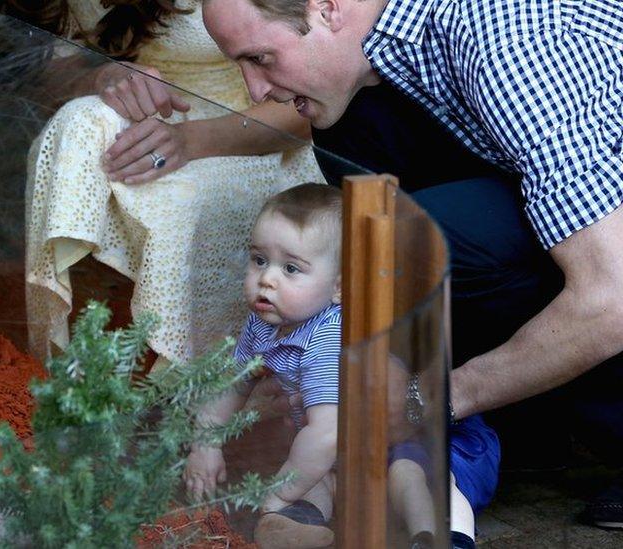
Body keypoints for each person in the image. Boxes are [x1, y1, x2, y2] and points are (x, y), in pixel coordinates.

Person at [201, 0, 623, 530]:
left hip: (613, 268)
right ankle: (526, 424)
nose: (255, 90)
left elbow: (611, 299)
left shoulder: (508, 44)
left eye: (261, 58)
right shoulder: (383, 60)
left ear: (327, 9)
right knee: (357, 153)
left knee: (414, 236)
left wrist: (432, 401)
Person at [183, 185, 496, 548]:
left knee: (414, 477)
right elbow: (234, 383)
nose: (267, 279)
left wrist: (278, 492)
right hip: (345, 456)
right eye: (258, 260)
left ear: (338, 288)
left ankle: (441, 535)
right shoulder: (265, 321)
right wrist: (205, 443)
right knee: (311, 475)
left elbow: (328, 434)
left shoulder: (328, 338)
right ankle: (295, 524)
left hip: (424, 437)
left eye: (290, 268)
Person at [22, 0, 326, 367]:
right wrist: (103, 76)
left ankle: (182, 368)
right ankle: (65, 351)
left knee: (178, 197)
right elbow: (52, 70)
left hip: (258, 130)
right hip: (154, 119)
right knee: (76, 122)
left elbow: (320, 95)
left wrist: (191, 141)